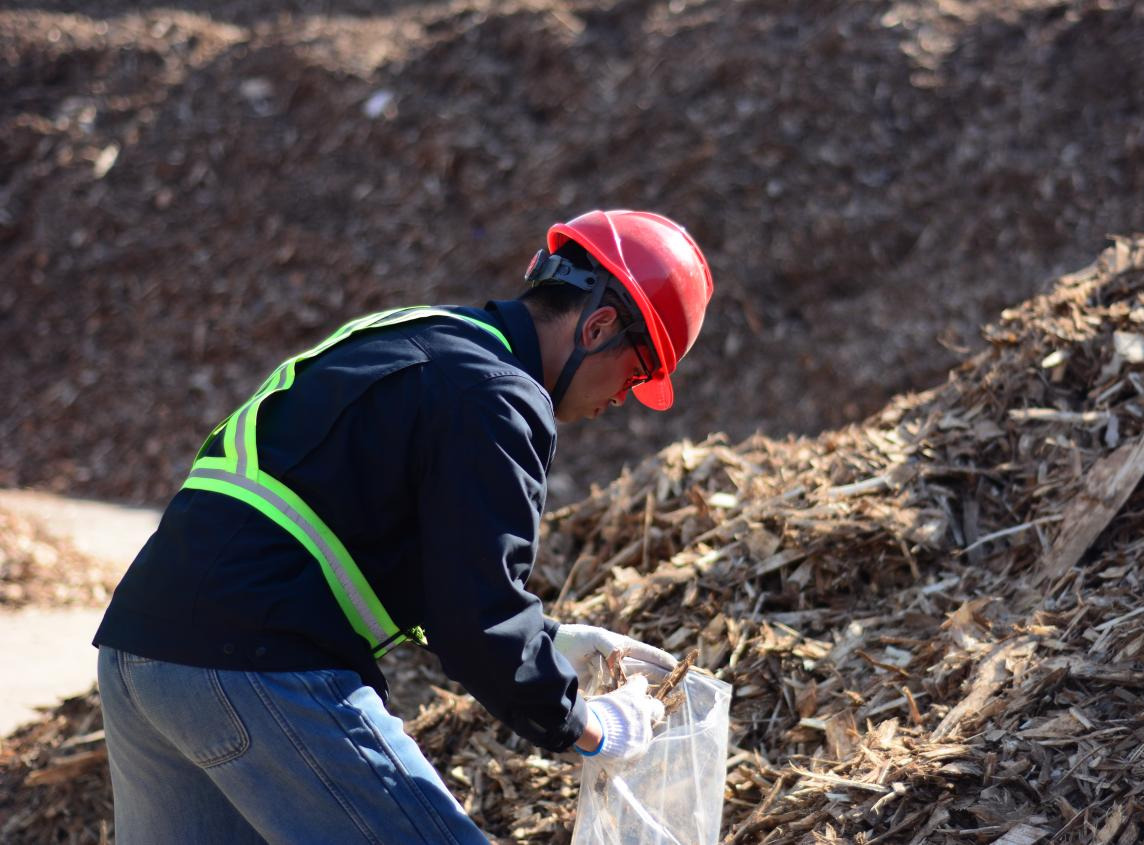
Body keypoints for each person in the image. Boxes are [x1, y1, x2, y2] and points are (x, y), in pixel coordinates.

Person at [93, 209, 714, 844]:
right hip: (257, 661)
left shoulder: (416, 336)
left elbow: (402, 557)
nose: (624, 398)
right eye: (639, 372)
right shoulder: (497, 397)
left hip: (140, 652)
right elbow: (479, 617)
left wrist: (545, 643)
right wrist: (594, 726)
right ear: (599, 324)